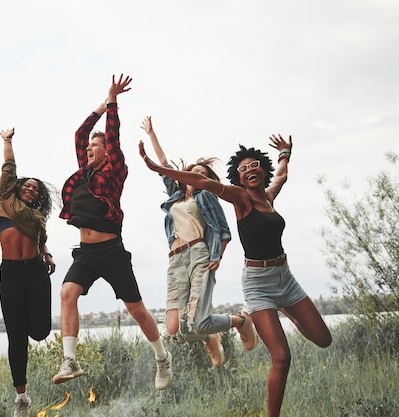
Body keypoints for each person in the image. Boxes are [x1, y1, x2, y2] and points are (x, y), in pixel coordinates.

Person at [139, 134, 332, 417]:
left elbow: (282, 176)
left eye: (254, 165)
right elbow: (205, 183)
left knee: (323, 339)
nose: (249, 170)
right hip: (258, 284)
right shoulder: (240, 198)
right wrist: (158, 168)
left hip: (286, 278)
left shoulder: (269, 195)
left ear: (261, 170)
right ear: (238, 179)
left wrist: (285, 153)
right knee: (282, 357)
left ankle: (285, 310)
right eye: (242, 169)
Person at [53, 74, 172, 390]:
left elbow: (114, 136)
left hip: (112, 252)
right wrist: (100, 106)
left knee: (136, 309)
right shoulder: (84, 172)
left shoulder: (115, 169)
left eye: (96, 145)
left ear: (107, 152)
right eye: (89, 147)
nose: (90, 149)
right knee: (67, 292)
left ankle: (161, 356)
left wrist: (113, 101)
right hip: (86, 253)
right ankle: (70, 360)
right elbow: (80, 133)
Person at [140, 116, 258, 367]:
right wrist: (151, 134)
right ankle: (211, 335)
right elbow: (163, 163)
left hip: (199, 254)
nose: (195, 176)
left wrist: (218, 255)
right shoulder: (175, 197)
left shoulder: (205, 197)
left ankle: (241, 321)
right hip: (175, 259)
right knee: (174, 330)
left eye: (201, 174)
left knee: (197, 322)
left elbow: (223, 229)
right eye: (192, 172)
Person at [0, 127, 56, 417]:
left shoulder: (38, 217)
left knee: (40, 332)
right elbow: (9, 167)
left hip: (36, 273)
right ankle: (22, 397)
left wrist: (46, 253)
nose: (30, 189)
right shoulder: (5, 200)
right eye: (26, 185)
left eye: (35, 189)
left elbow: (40, 240)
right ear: (16, 187)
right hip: (11, 274)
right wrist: (7, 141)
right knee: (16, 337)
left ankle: (25, 323)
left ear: (38, 198)